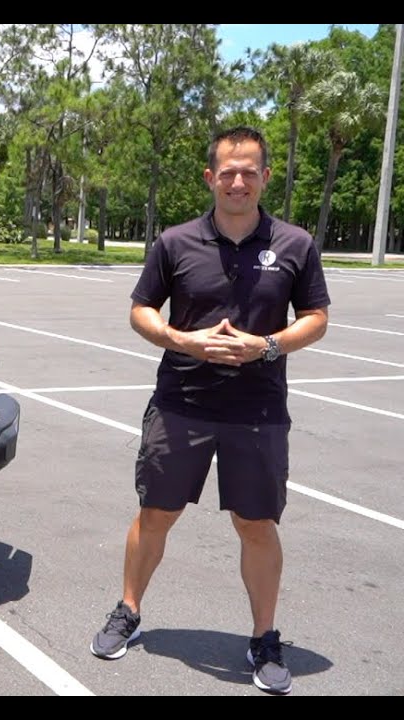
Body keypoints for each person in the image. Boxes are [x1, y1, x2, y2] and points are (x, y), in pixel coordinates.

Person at [88, 126, 330, 696]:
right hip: (182, 404)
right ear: (210, 177)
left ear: (266, 176)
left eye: (250, 171)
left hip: (258, 410)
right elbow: (140, 310)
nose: (239, 181)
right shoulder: (175, 242)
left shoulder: (294, 244)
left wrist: (266, 346)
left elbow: (315, 317)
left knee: (256, 524)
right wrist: (183, 340)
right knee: (156, 513)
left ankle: (264, 637)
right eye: (228, 171)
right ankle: (128, 609)